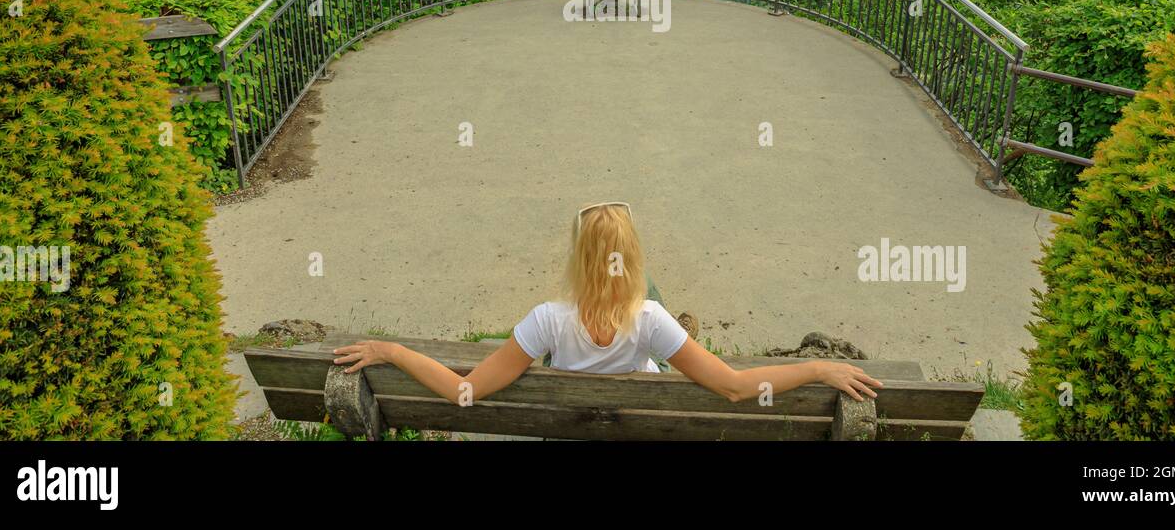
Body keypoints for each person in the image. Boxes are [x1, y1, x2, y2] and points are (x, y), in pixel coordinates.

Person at [332, 202, 881, 408]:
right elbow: (736, 388)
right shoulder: (649, 318)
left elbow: (464, 391)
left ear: (576, 256)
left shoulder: (547, 318)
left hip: (568, 413)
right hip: (637, 400)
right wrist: (816, 367)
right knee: (655, 305)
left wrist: (391, 350)